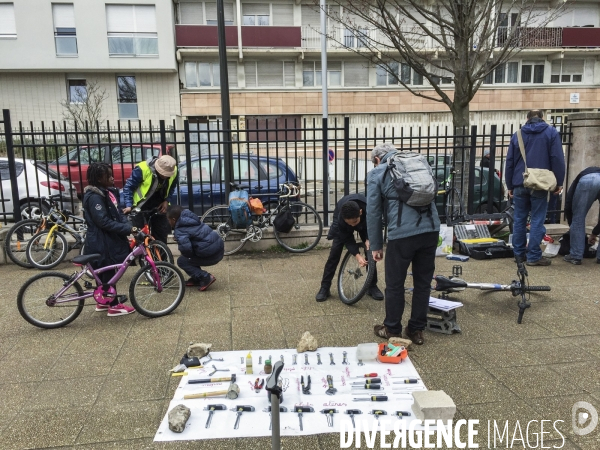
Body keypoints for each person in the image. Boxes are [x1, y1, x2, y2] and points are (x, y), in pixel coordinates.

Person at [367, 144, 440, 345]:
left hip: (402, 235)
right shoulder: (418, 163)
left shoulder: (378, 172)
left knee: (395, 284)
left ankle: (392, 328)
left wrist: (376, 245)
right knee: (423, 283)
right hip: (430, 229)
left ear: (376, 159)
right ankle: (416, 330)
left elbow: (373, 212)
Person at [505, 110, 565, 266]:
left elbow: (510, 161)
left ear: (527, 118)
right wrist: (558, 182)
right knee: (537, 220)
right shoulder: (551, 133)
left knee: (519, 219)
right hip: (540, 183)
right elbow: (557, 158)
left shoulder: (517, 134)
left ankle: (518, 254)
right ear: (542, 117)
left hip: (520, 181)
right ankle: (534, 256)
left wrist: (509, 184)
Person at [82, 162, 136, 316]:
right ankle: (114, 305)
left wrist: (127, 225)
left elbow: (117, 213)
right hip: (101, 241)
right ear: (99, 178)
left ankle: (103, 302)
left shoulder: (105, 192)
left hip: (107, 239)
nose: (113, 178)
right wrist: (127, 229)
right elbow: (103, 221)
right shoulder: (94, 197)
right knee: (108, 272)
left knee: (107, 271)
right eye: (109, 175)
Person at [315, 194, 384, 302]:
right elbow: (347, 239)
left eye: (354, 223)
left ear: (360, 212)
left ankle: (372, 286)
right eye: (350, 223)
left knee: (371, 252)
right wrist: (357, 255)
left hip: (366, 224)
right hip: (343, 226)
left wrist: (368, 238)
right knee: (334, 254)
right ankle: (325, 287)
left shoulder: (370, 209)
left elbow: (377, 225)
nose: (353, 226)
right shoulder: (341, 219)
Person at [122, 155, 178, 244]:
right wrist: (129, 205)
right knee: (141, 237)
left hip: (159, 205)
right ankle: (141, 256)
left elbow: (172, 187)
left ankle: (160, 257)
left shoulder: (173, 171)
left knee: (161, 234)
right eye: (164, 174)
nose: (166, 177)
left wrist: (167, 200)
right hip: (140, 206)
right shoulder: (142, 169)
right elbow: (128, 187)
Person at [166, 205, 224, 291]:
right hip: (219, 248)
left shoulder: (180, 230)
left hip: (213, 254)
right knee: (190, 256)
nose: (168, 222)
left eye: (168, 220)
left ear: (174, 220)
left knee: (182, 261)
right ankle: (197, 278)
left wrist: (179, 241)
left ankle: (205, 277)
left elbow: (186, 250)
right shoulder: (190, 219)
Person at [563, 167, 600, 265]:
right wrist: (595, 233)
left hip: (587, 180)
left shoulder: (581, 176)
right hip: (592, 178)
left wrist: (572, 224)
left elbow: (568, 204)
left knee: (578, 217)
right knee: (578, 218)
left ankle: (576, 256)